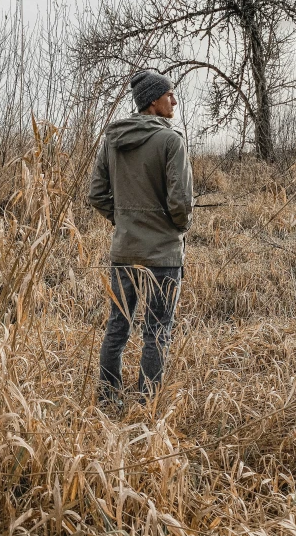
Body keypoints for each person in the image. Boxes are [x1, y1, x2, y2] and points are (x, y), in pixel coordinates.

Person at [89, 70, 193, 406]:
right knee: (157, 331)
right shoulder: (171, 140)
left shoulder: (112, 141)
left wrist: (124, 222)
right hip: (163, 255)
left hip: (124, 251)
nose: (174, 101)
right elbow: (180, 202)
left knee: (117, 327)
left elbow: (97, 195)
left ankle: (107, 400)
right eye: (169, 95)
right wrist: (177, 227)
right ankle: (147, 406)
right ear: (152, 100)